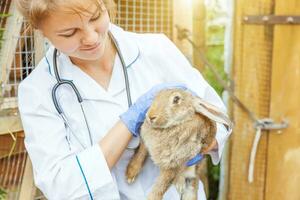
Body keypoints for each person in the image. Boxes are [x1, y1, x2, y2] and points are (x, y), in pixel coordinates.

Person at [16, 0, 231, 199]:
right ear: (42, 31)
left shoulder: (156, 49)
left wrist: (194, 142)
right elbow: (59, 184)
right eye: (70, 32)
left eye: (95, 17)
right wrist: (128, 123)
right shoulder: (37, 91)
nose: (91, 38)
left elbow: (219, 121)